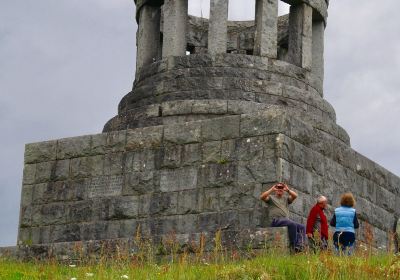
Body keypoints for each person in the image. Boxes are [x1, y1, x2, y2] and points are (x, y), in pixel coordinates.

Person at [260, 182, 306, 252]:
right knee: (292, 224)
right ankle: (293, 246)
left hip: (285, 221)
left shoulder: (286, 199)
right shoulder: (271, 198)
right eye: (278, 187)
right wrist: (272, 189)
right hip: (276, 220)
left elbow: (295, 196)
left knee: (302, 227)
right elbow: (262, 197)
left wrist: (287, 190)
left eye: (281, 188)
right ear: (275, 188)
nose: (280, 189)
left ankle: (299, 246)